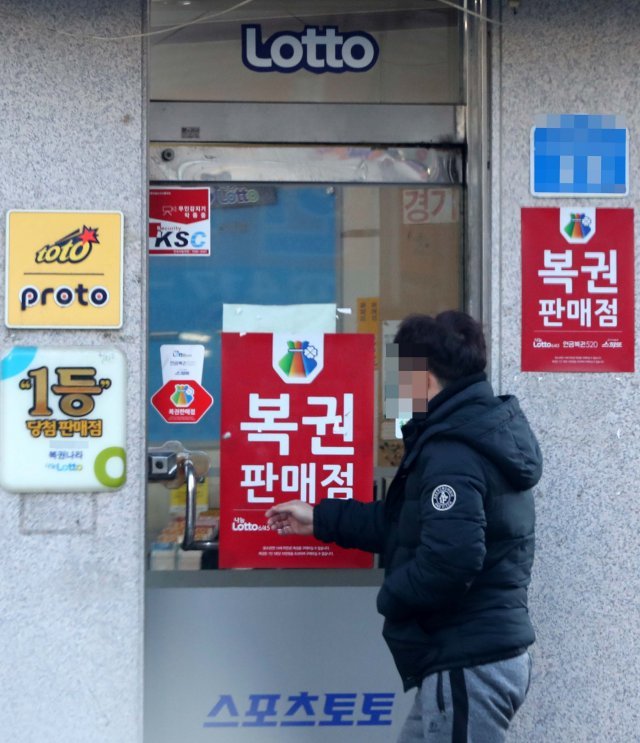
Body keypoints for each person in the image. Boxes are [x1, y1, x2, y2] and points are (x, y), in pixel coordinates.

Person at [266, 310, 543, 742]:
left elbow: (451, 559)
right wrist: (320, 518)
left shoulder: (453, 452)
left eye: (399, 377)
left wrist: (392, 595)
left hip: (468, 661)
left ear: (424, 379)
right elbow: (403, 524)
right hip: (470, 655)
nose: (393, 389)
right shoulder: (469, 435)